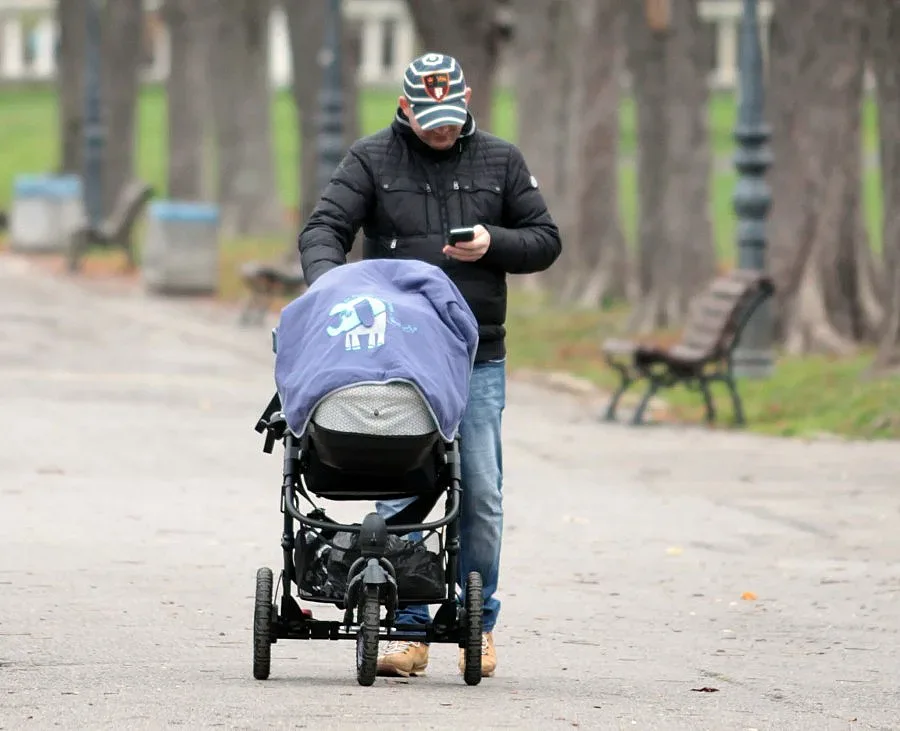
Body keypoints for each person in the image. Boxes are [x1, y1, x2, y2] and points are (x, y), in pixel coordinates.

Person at [297, 52, 562, 678]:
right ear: (405, 106)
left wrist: (494, 244)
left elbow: (546, 239)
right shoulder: (370, 158)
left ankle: (478, 622)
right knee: (404, 487)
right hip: (395, 356)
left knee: (482, 493)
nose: (442, 131)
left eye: (452, 117)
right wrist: (329, 288)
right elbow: (323, 229)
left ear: (467, 98)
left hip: (475, 354)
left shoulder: (501, 159)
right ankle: (410, 626)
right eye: (429, 120)